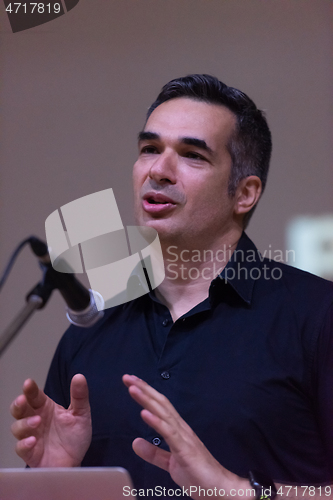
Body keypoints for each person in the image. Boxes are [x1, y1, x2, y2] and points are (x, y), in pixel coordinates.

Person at [10, 75, 333, 499]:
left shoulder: (317, 316)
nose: (158, 171)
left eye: (192, 155)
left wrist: (237, 491)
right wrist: (55, 481)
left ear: (245, 193)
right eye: (149, 149)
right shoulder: (88, 336)